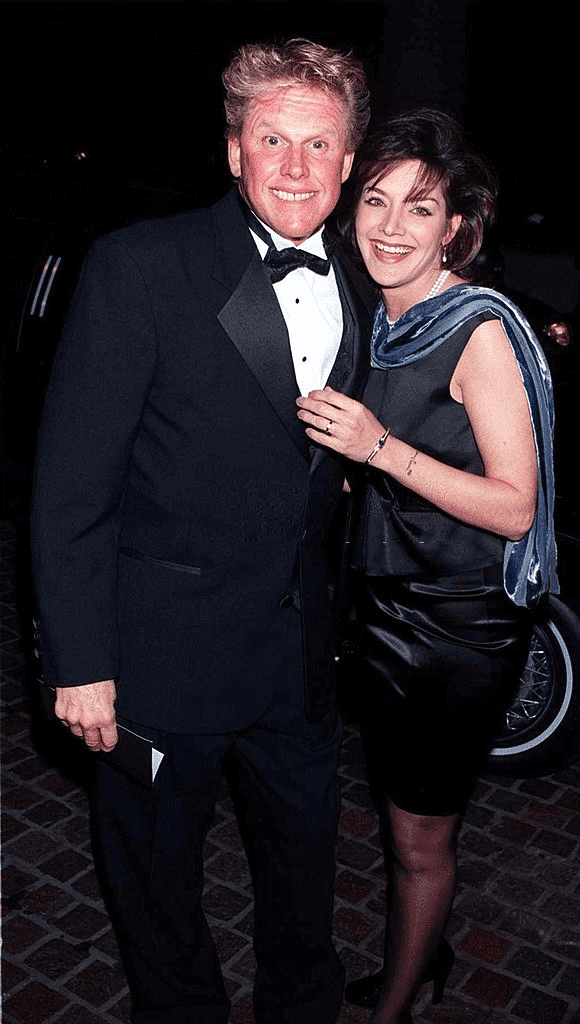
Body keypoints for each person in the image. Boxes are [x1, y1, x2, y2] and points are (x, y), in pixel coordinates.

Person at [31, 39, 373, 1024]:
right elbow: (69, 487)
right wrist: (79, 659)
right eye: (273, 139)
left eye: (319, 144)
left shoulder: (362, 277)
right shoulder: (142, 265)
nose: (297, 166)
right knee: (155, 878)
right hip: (154, 668)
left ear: (349, 163)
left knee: (306, 881)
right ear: (234, 150)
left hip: (296, 662)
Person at [296, 109, 558, 1024]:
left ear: (457, 228)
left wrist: (378, 451)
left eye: (421, 208)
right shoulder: (379, 319)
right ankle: (425, 953)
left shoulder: (477, 330)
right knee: (400, 816)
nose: (390, 226)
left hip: (455, 624)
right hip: (381, 606)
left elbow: (514, 504)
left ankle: (399, 1002)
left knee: (419, 836)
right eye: (376, 201)